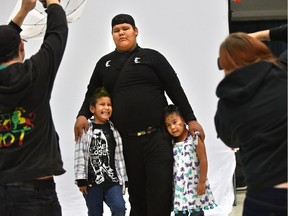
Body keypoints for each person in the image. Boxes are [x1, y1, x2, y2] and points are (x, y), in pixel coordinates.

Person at [74, 13, 205, 216]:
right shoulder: (104, 64)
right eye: (116, 30)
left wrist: (191, 119)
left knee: (160, 191)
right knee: (136, 193)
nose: (121, 33)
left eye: (125, 28)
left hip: (156, 138)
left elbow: (174, 88)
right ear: (112, 35)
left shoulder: (152, 57)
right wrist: (82, 115)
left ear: (135, 31)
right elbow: (92, 92)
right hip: (126, 142)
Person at [0, 0, 68, 215]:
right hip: (36, 194)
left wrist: (22, 12)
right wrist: (53, 3)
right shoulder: (35, 75)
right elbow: (57, 33)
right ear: (22, 47)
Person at [215, 26, 287, 216]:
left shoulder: (225, 106)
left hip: (263, 196)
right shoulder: (283, 72)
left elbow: (231, 141)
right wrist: (259, 36)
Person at [74, 87, 128, 216]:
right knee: (95, 212)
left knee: (119, 208)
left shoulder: (114, 130)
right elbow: (79, 154)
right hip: (92, 184)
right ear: (92, 109)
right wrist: (81, 179)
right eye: (102, 104)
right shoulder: (85, 129)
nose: (106, 108)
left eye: (109, 105)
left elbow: (119, 156)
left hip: (112, 181)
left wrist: (124, 178)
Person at [163, 105, 217, 216]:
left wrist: (202, 182)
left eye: (174, 122)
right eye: (168, 125)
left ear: (182, 119)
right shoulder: (171, 143)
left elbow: (203, 160)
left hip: (194, 186)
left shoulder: (194, 137)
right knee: (180, 214)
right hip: (179, 189)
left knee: (196, 213)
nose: (172, 127)